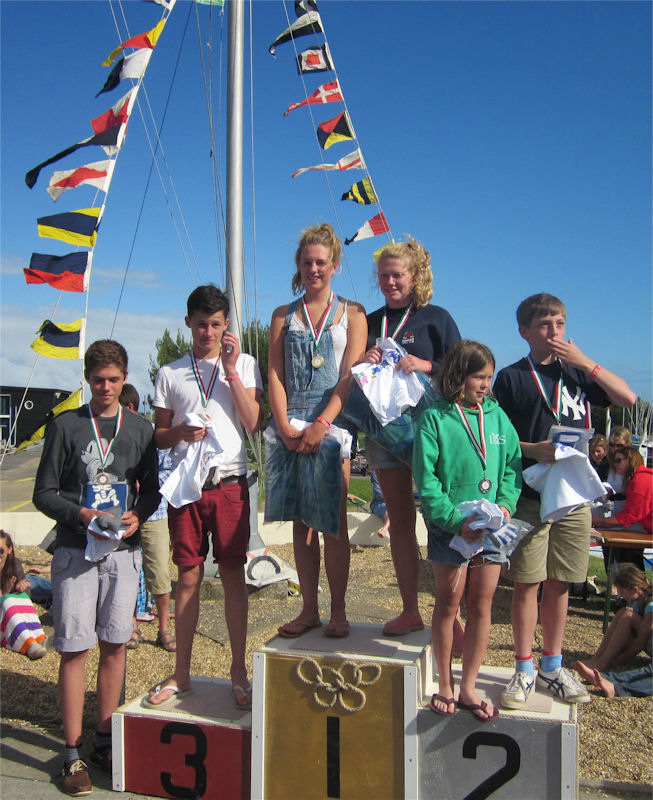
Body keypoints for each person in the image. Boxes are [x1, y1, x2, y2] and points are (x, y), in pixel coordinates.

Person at [493, 293, 637, 708]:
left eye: (559, 323)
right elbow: (496, 436)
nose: (553, 331)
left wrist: (584, 361)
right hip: (531, 494)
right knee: (527, 582)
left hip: (574, 497)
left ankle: (552, 666)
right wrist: (533, 450)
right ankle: (523, 667)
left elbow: (627, 398)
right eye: (544, 325)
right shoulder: (511, 377)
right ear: (524, 331)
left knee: (561, 582)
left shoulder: (580, 375)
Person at [33, 340, 160, 797]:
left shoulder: (140, 429)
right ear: (87, 379)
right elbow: (43, 494)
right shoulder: (65, 426)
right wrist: (81, 515)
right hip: (73, 551)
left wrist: (138, 515)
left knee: (114, 645)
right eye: (97, 380)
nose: (105, 387)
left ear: (125, 379)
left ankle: (105, 740)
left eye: (113, 379)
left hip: (121, 555)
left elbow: (152, 493)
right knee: (73, 648)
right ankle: (72, 753)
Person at [146, 285, 263, 711]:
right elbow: (158, 438)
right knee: (189, 577)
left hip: (229, 483)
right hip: (186, 488)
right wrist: (178, 432)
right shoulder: (170, 373)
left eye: (215, 325)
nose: (208, 332)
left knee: (233, 576)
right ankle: (182, 673)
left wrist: (231, 370)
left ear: (226, 325)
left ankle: (238, 671)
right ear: (188, 323)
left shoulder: (245, 364)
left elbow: (252, 423)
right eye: (200, 324)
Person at [266, 223, 366, 639]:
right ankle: (309, 609)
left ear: (335, 265)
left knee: (333, 521)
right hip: (291, 424)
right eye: (306, 262)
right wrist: (284, 424)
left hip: (333, 423)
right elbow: (273, 371)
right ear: (298, 265)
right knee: (300, 521)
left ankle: (338, 610)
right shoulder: (282, 315)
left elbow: (349, 373)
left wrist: (323, 423)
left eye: (321, 262)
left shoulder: (354, 314)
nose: (313, 269)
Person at [413, 341, 522, 720]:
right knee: (448, 603)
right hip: (451, 530)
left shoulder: (497, 417)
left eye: (490, 377)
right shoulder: (435, 419)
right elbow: (426, 482)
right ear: (458, 376)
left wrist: (506, 504)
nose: (486, 385)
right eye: (479, 377)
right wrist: (452, 519)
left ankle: (469, 685)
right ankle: (444, 682)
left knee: (482, 604)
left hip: (491, 528)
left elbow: (511, 467)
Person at [364, 237, 461, 636]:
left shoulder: (435, 318)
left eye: (397, 275)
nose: (390, 282)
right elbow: (353, 370)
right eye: (384, 275)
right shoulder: (371, 322)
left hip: (429, 432)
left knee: (443, 520)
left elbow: (464, 369)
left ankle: (453, 618)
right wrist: (363, 358)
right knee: (400, 523)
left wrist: (428, 364)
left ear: (414, 276)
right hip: (384, 433)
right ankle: (410, 610)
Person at [119, 384, 176, 652]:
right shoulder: (113, 436)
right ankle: (131, 625)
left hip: (154, 513)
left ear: (130, 408)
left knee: (159, 572)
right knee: (127, 571)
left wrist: (148, 483)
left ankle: (164, 628)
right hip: (123, 513)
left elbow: (168, 469)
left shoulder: (152, 436)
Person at [575, 565, 652, 674]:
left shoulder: (651, 606)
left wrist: (620, 660)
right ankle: (597, 658)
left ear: (634, 589)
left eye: (622, 592)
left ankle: (602, 664)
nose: (621, 596)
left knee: (627, 616)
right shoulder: (638, 602)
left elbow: (640, 642)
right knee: (622, 613)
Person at [592, 446, 651, 575]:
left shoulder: (640, 481)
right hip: (646, 527)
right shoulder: (638, 479)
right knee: (608, 534)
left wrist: (601, 520)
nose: (614, 464)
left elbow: (629, 517)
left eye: (618, 460)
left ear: (630, 460)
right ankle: (625, 584)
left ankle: (625, 584)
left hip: (648, 528)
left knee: (605, 533)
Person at [0, 530, 48, 659]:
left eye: (0, 551)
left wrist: (21, 589)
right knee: (7, 601)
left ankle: (39, 637)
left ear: (9, 549)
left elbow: (26, 596)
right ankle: (29, 644)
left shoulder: (14, 565)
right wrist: (4, 593)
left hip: (6, 616)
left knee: (23, 599)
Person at [369, 470, 390, 538]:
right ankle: (385, 528)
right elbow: (379, 494)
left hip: (393, 504)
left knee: (394, 507)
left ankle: (385, 527)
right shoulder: (376, 471)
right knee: (391, 507)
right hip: (378, 504)